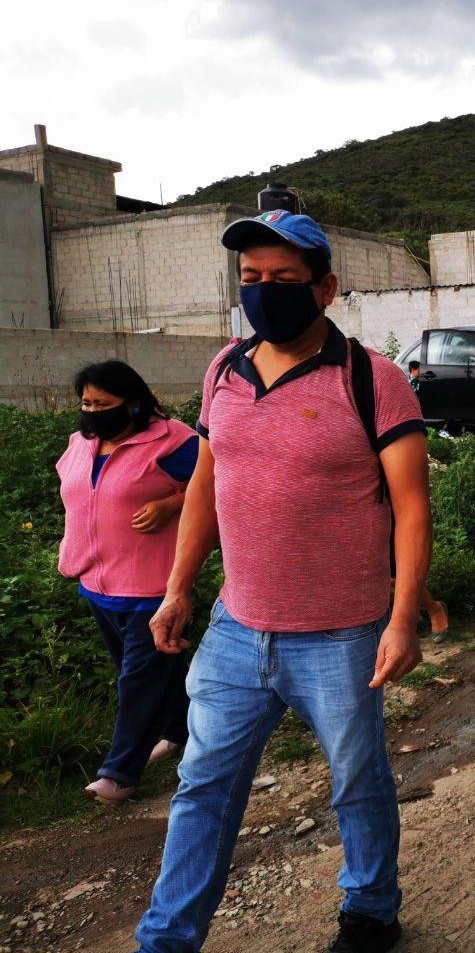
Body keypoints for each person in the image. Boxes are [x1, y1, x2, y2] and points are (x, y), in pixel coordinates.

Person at [135, 210, 431, 953]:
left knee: (357, 782)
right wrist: (179, 587)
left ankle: (371, 913)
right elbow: (205, 485)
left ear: (325, 288)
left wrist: (401, 619)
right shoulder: (223, 369)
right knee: (203, 787)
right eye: (251, 278)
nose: (264, 291)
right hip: (237, 629)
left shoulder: (373, 380)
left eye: (283, 279)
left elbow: (411, 508)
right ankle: (167, 940)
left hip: (342, 634)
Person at [56, 361, 197, 804]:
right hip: (98, 583)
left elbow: (217, 481)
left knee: (136, 682)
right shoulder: (80, 443)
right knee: (147, 671)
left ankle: (120, 773)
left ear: (133, 404)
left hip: (152, 588)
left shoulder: (172, 441)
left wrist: (172, 503)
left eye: (103, 403)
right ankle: (180, 729)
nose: (92, 411)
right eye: (86, 403)